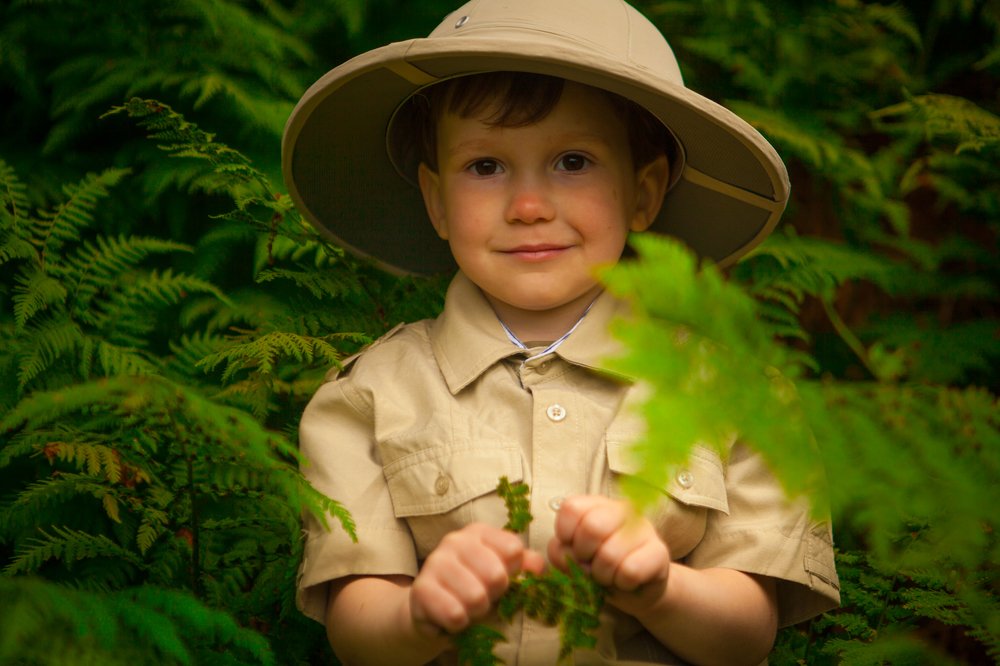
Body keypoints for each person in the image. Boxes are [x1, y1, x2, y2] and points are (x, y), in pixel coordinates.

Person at [282, 1, 840, 664]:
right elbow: (357, 633)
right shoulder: (369, 397)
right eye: (485, 166)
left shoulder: (734, 396)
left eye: (573, 161)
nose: (527, 207)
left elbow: (748, 637)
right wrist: (419, 609)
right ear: (436, 200)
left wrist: (659, 589)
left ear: (644, 191)